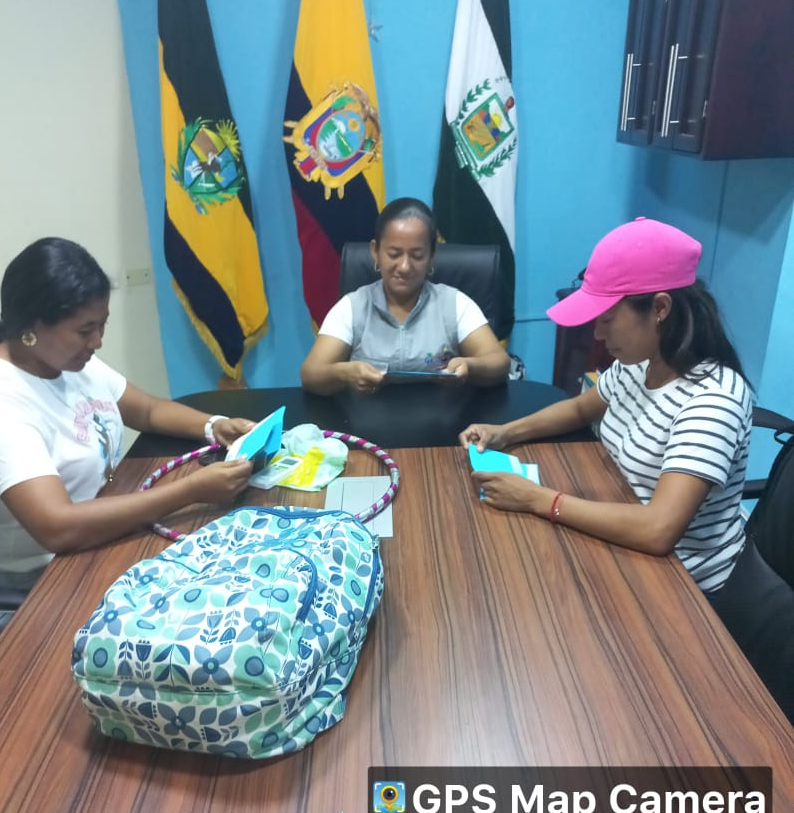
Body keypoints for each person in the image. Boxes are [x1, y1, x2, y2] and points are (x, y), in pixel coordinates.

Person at [0, 237, 255, 627]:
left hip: (99, 538)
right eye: (86, 330)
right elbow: (57, 527)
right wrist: (191, 491)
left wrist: (213, 425)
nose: (97, 342)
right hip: (36, 583)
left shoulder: (65, 361)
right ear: (32, 328)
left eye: (102, 326)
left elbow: (148, 410)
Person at [459, 217, 753, 596]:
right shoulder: (642, 361)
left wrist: (537, 499)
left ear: (660, 308)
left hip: (684, 586)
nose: (597, 334)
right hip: (620, 536)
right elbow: (581, 409)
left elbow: (658, 529)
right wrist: (505, 432)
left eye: (608, 319)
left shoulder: (713, 400)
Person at [300, 197, 510, 394]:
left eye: (417, 256)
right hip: (367, 417)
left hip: (442, 416)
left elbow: (498, 361)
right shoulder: (353, 306)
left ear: (432, 256)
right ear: (375, 252)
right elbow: (310, 373)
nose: (404, 267)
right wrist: (344, 373)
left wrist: (469, 366)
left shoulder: (454, 304)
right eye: (394, 254)